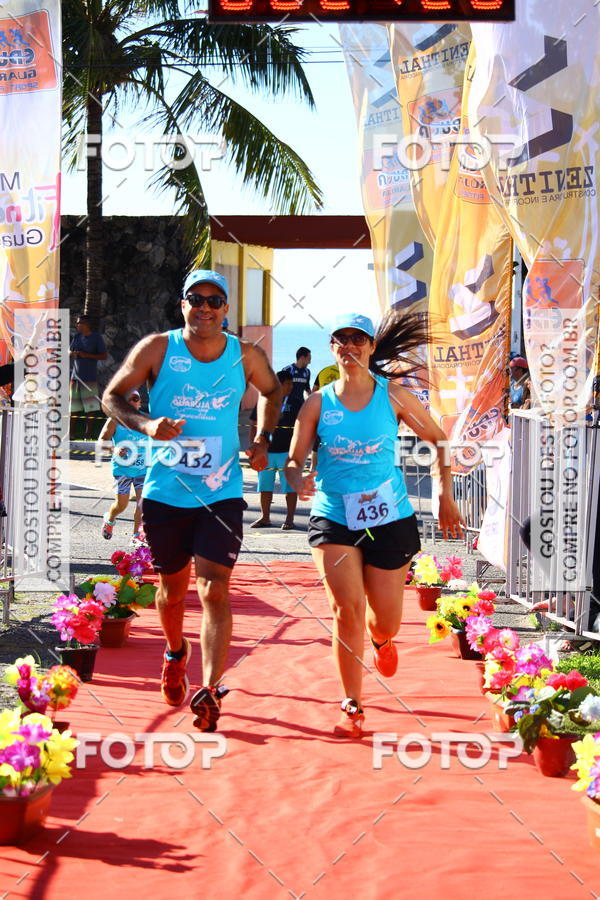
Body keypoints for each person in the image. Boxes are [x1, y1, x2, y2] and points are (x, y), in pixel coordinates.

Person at [102, 269, 281, 732]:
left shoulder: (246, 354)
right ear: (182, 304)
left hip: (220, 492)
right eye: (195, 299)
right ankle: (174, 651)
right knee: (172, 592)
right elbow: (112, 397)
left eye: (214, 301)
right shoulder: (158, 348)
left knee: (215, 588)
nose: (204, 307)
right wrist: (145, 425)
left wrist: (262, 438)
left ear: (226, 309)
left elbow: (273, 392)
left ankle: (211, 688)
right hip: (165, 491)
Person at [285, 311, 464, 738]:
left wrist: (444, 495)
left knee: (385, 621)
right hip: (334, 517)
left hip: (389, 518)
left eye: (357, 339)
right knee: (346, 610)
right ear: (332, 347)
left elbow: (438, 439)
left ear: (370, 346)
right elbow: (293, 459)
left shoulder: (394, 397)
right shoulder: (317, 402)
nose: (349, 346)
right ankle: (353, 702)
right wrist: (297, 477)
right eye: (341, 339)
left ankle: (382, 640)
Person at [97, 389, 149, 544]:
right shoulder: (115, 420)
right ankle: (110, 519)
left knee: (142, 504)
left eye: (136, 399)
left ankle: (136, 536)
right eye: (129, 399)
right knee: (121, 505)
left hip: (143, 469)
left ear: (140, 402)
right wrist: (115, 449)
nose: (132, 402)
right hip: (123, 470)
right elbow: (101, 441)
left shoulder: (146, 419)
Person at [249, 370, 298, 530]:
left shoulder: (297, 402)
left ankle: (289, 519)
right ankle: (265, 518)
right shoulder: (264, 399)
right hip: (266, 452)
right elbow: (254, 424)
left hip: (287, 452)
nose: (291, 386)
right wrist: (253, 447)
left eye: (292, 383)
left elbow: (305, 425)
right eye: (288, 383)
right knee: (264, 486)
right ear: (279, 383)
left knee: (290, 487)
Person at [70, 314, 107, 439]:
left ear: (86, 324)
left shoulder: (96, 338)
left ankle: (88, 434)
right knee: (73, 406)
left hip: (89, 378)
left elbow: (103, 356)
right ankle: (71, 433)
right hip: (75, 377)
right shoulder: (76, 337)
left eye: (79, 323)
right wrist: (72, 353)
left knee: (90, 407)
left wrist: (87, 355)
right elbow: (69, 351)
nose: (77, 325)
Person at [310, 363, 340, 470]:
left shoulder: (323, 371)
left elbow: (314, 392)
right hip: (338, 414)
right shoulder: (345, 373)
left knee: (317, 442)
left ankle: (313, 467)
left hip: (322, 413)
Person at [282, 346, 311, 418]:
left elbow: (307, 389)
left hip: (300, 406)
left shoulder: (307, 372)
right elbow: (279, 388)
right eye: (309, 359)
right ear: (302, 358)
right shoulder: (288, 370)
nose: (310, 362)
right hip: (287, 406)